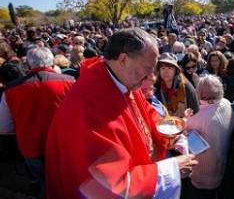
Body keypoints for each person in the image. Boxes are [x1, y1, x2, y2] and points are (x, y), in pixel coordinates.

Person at [45, 28, 198, 199]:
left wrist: (172, 133)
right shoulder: (89, 105)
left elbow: (146, 113)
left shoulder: (123, 79)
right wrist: (171, 170)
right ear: (124, 60)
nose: (152, 76)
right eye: (147, 68)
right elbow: (109, 185)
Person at [0, 47, 75, 191]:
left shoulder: (10, 90)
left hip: (31, 147)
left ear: (28, 65)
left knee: (45, 186)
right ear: (52, 61)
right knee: (68, 183)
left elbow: (4, 127)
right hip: (64, 144)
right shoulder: (70, 82)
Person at [183, 75, 234, 199]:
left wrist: (185, 119)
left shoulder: (198, 118)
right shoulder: (226, 103)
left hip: (202, 174)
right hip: (221, 166)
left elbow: (182, 133)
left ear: (199, 94)